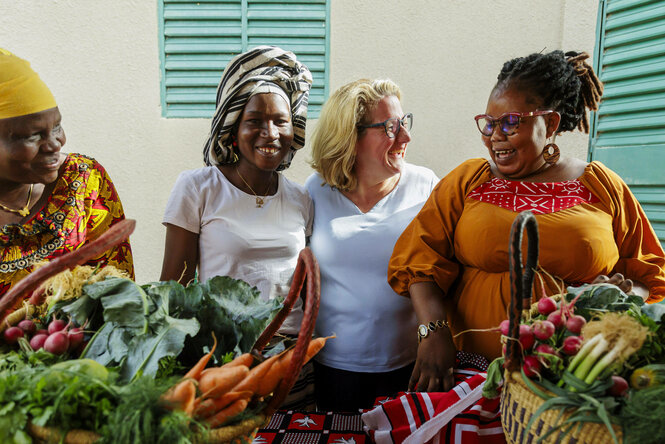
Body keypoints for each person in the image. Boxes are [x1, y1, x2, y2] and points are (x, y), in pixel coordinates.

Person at [388, 50, 665, 393]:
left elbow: (647, 277)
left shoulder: (602, 185)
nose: (494, 136)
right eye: (488, 123)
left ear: (549, 123)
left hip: (574, 383)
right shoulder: (468, 180)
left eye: (510, 123)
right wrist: (432, 332)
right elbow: (419, 262)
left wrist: (620, 295)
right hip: (468, 375)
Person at [160, 46, 314, 409]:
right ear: (233, 128)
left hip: (292, 361)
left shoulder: (300, 198)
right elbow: (174, 286)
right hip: (223, 360)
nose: (270, 132)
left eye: (280, 120)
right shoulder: (199, 188)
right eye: (255, 121)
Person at [305, 78, 439, 411]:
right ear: (350, 137)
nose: (406, 137)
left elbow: (443, 270)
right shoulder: (315, 191)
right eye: (391, 128)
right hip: (332, 368)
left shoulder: (426, 186)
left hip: (411, 366)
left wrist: (437, 333)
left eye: (404, 122)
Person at [0, 48, 134, 300]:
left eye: (57, 126)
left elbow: (117, 299)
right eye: (32, 134)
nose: (55, 143)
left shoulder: (83, 181)